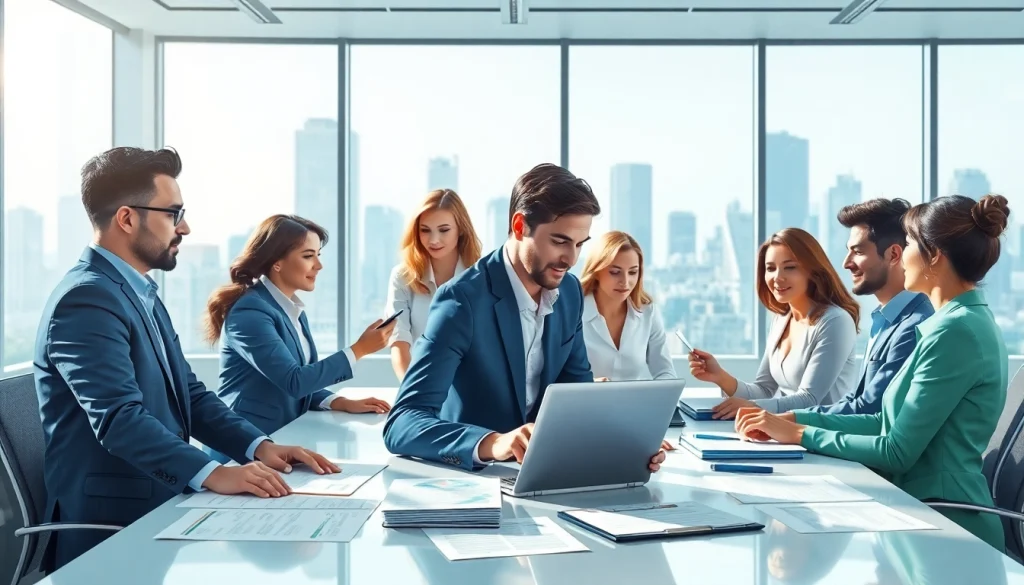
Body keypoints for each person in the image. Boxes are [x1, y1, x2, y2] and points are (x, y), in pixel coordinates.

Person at [34, 147, 338, 571]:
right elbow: (120, 418)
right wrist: (215, 474)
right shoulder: (86, 299)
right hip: (115, 526)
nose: (186, 227)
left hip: (165, 504)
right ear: (127, 218)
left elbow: (189, 395)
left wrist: (259, 446)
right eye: (173, 214)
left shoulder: (138, 294)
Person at [735, 194, 1011, 551]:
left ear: (935, 256)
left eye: (909, 243)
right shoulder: (953, 323)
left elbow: (897, 450)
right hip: (916, 512)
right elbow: (884, 421)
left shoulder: (956, 330)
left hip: (945, 526)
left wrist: (801, 433)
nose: (902, 252)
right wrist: (794, 420)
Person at [382, 163, 667, 473]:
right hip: (476, 481)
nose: (571, 259)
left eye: (579, 244)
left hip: (545, 474)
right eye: (559, 241)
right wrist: (493, 443)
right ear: (520, 227)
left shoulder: (570, 293)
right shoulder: (461, 300)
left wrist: (620, 443)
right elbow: (403, 422)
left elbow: (576, 397)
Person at [203, 214, 393, 454]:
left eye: (318, 255)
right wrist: (360, 349)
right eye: (308, 256)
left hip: (282, 439)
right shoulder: (250, 312)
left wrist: (341, 402)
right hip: (244, 446)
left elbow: (302, 381)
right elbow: (294, 381)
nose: (319, 265)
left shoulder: (292, 309)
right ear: (276, 262)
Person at [689, 228, 860, 419]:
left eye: (790, 267)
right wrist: (720, 377)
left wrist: (750, 407)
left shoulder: (835, 321)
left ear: (813, 271)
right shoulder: (781, 320)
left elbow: (810, 399)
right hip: (788, 433)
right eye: (770, 268)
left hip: (825, 435)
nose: (777, 277)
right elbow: (764, 390)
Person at [805, 198, 933, 415]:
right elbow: (857, 398)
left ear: (893, 255)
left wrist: (790, 420)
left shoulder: (915, 327)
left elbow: (872, 410)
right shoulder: (883, 320)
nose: (846, 263)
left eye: (858, 251)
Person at [383, 189, 482, 381]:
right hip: (419, 383)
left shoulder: (480, 276)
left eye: (444, 230)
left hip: (471, 387)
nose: (434, 240)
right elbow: (399, 340)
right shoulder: (402, 277)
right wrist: (411, 394)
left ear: (460, 229)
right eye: (425, 230)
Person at [579, 231, 675, 382]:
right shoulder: (574, 311)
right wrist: (590, 384)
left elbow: (665, 372)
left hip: (635, 405)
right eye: (615, 272)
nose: (625, 281)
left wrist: (661, 394)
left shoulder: (648, 312)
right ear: (596, 271)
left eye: (632, 272)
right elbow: (557, 375)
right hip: (585, 404)